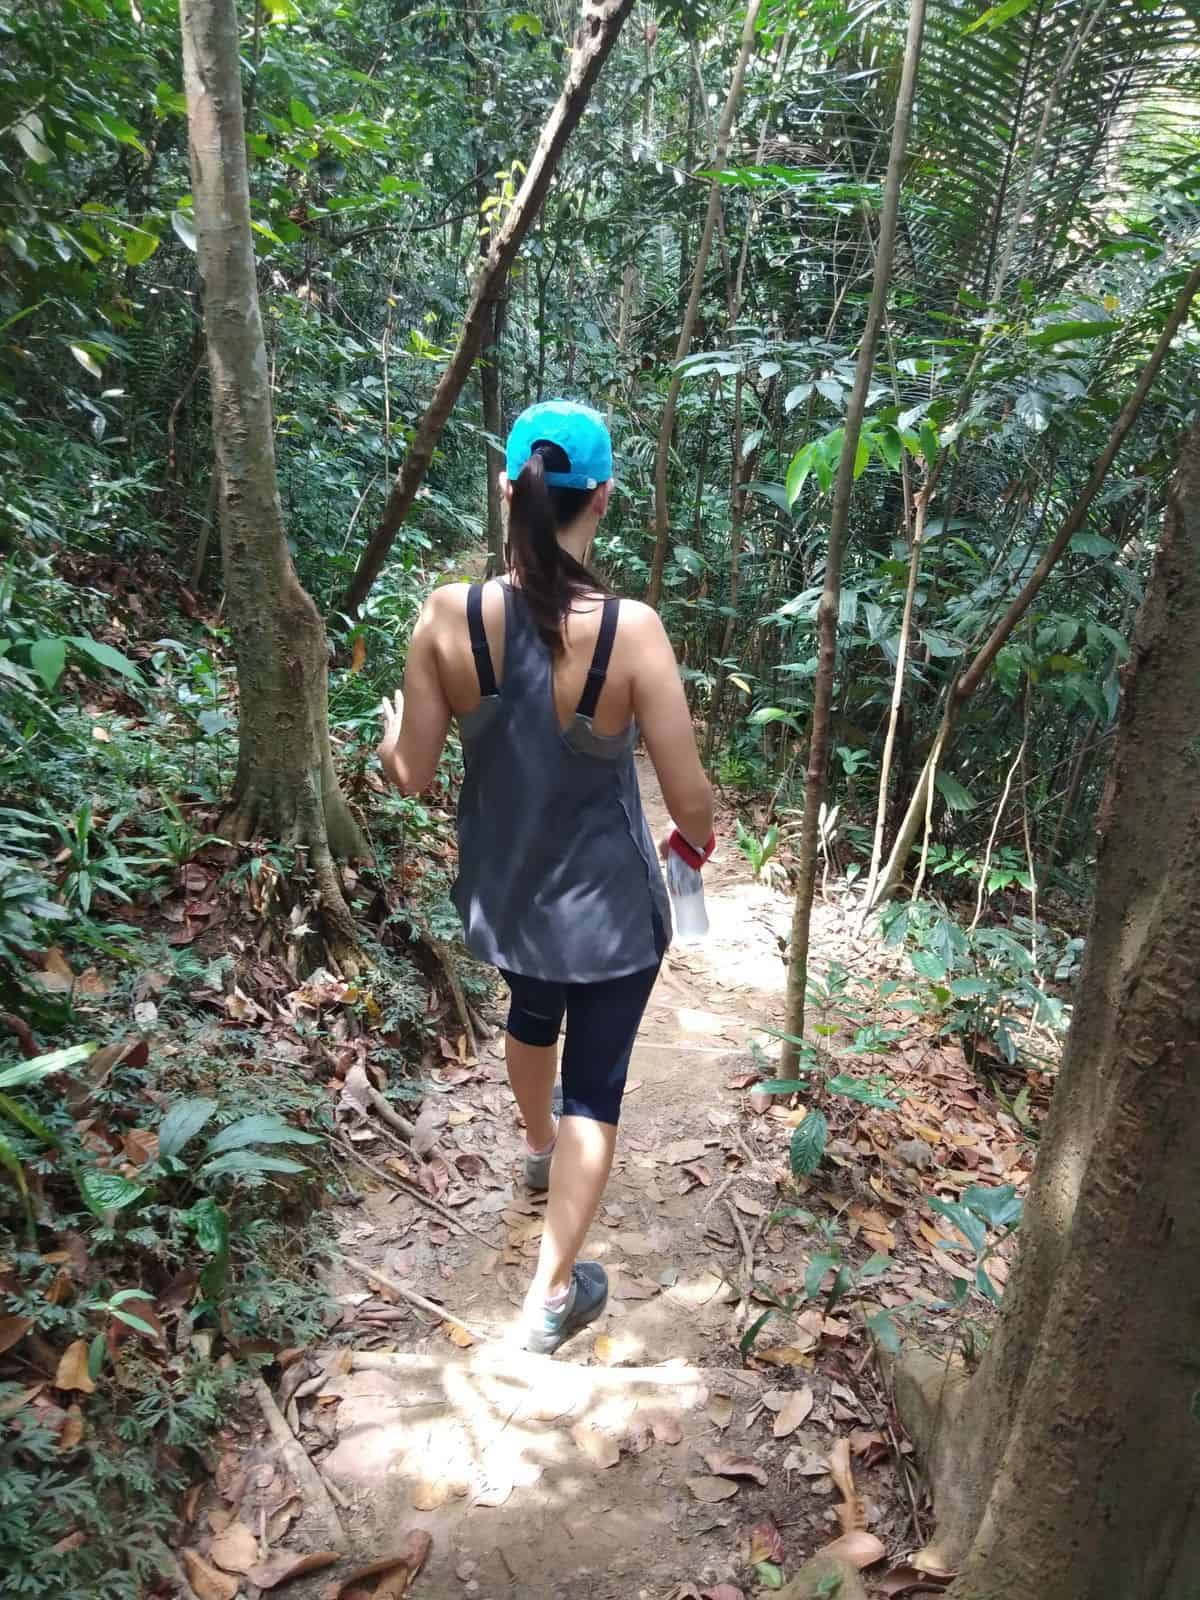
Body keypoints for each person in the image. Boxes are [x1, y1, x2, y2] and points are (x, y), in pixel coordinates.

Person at [377, 399, 714, 1354]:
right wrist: (690, 856)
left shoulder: (447, 616)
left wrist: (385, 736)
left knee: (531, 1019)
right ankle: (550, 1297)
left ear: (507, 487)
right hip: (610, 916)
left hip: (506, 899)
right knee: (595, 1091)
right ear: (601, 496)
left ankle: (535, 1156)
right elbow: (692, 810)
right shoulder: (633, 632)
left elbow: (412, 773)